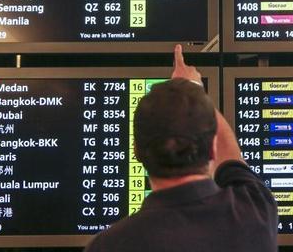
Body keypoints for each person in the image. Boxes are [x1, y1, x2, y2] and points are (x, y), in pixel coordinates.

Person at [84, 45, 278, 252]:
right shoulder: (254, 213)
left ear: (136, 152)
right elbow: (232, 158)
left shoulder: (110, 244)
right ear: (213, 148)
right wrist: (191, 88)